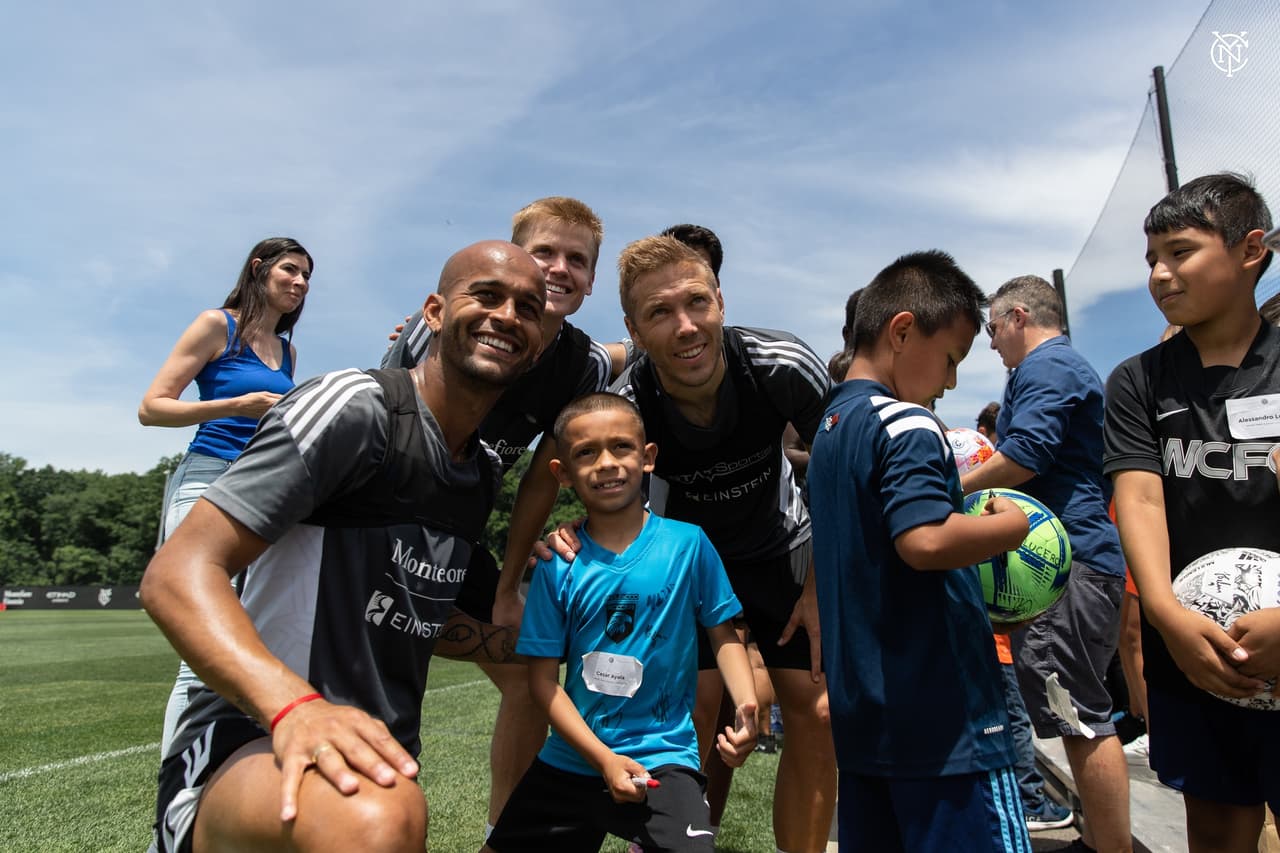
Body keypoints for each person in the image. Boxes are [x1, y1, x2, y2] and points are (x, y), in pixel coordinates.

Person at [142, 240, 546, 853]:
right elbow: (175, 573)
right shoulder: (357, 407)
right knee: (377, 820)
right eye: (486, 296)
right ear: (433, 313)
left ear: (539, 341)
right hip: (250, 736)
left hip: (367, 758)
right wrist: (296, 708)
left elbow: (411, 618)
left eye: (527, 308)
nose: (507, 317)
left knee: (382, 807)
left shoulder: (482, 471)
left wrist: (533, 645)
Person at [540, 236, 835, 852]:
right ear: (633, 328)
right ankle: (683, 841)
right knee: (697, 714)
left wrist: (820, 581)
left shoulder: (782, 364)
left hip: (783, 551)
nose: (685, 327)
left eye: (697, 302)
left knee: (815, 711)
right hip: (686, 563)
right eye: (658, 313)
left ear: (720, 300)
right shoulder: (628, 404)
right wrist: (567, 533)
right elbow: (601, 487)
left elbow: (842, 473)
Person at [382, 197, 625, 835]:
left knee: (529, 673)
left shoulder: (585, 364)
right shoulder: (442, 326)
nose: (559, 269)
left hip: (460, 540)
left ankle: (507, 838)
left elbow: (542, 484)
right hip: (382, 531)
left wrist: (512, 584)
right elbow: (385, 429)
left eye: (577, 259)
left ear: (593, 280)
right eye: (544, 251)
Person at [808, 249, 1031, 852]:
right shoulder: (906, 421)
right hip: (945, 723)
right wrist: (1010, 528)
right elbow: (925, 539)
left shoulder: (829, 431)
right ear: (902, 330)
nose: (952, 380)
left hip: (868, 723)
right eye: (952, 359)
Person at [482, 393, 758, 852]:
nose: (606, 463)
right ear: (563, 474)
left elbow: (723, 634)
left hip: (665, 759)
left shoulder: (689, 545)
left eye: (621, 447)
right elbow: (544, 685)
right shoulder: (556, 565)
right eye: (586, 453)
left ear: (648, 458)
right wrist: (604, 760)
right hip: (572, 758)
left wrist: (747, 703)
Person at [1105, 172, 1279, 853]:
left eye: (1180, 251)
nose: (1160, 273)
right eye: (1151, 258)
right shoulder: (1138, 381)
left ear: (1250, 250)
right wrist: (1170, 618)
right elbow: (1140, 496)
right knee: (1215, 829)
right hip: (1195, 655)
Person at [961, 275, 1133, 852]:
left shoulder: (1046, 368)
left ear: (1016, 316)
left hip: (1072, 565)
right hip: (1073, 565)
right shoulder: (1045, 370)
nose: (990, 344)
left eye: (991, 329)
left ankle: (1109, 845)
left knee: (1081, 716)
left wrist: (950, 488)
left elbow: (1025, 456)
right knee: (1074, 715)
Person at [138, 236, 313, 755]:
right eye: (291, 270)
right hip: (206, 478)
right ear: (258, 268)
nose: (301, 283)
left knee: (247, 636)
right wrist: (233, 405)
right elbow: (152, 407)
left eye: (307, 276)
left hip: (264, 487)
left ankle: (221, 769)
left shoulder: (288, 351)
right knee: (201, 646)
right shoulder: (218, 324)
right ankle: (179, 799)